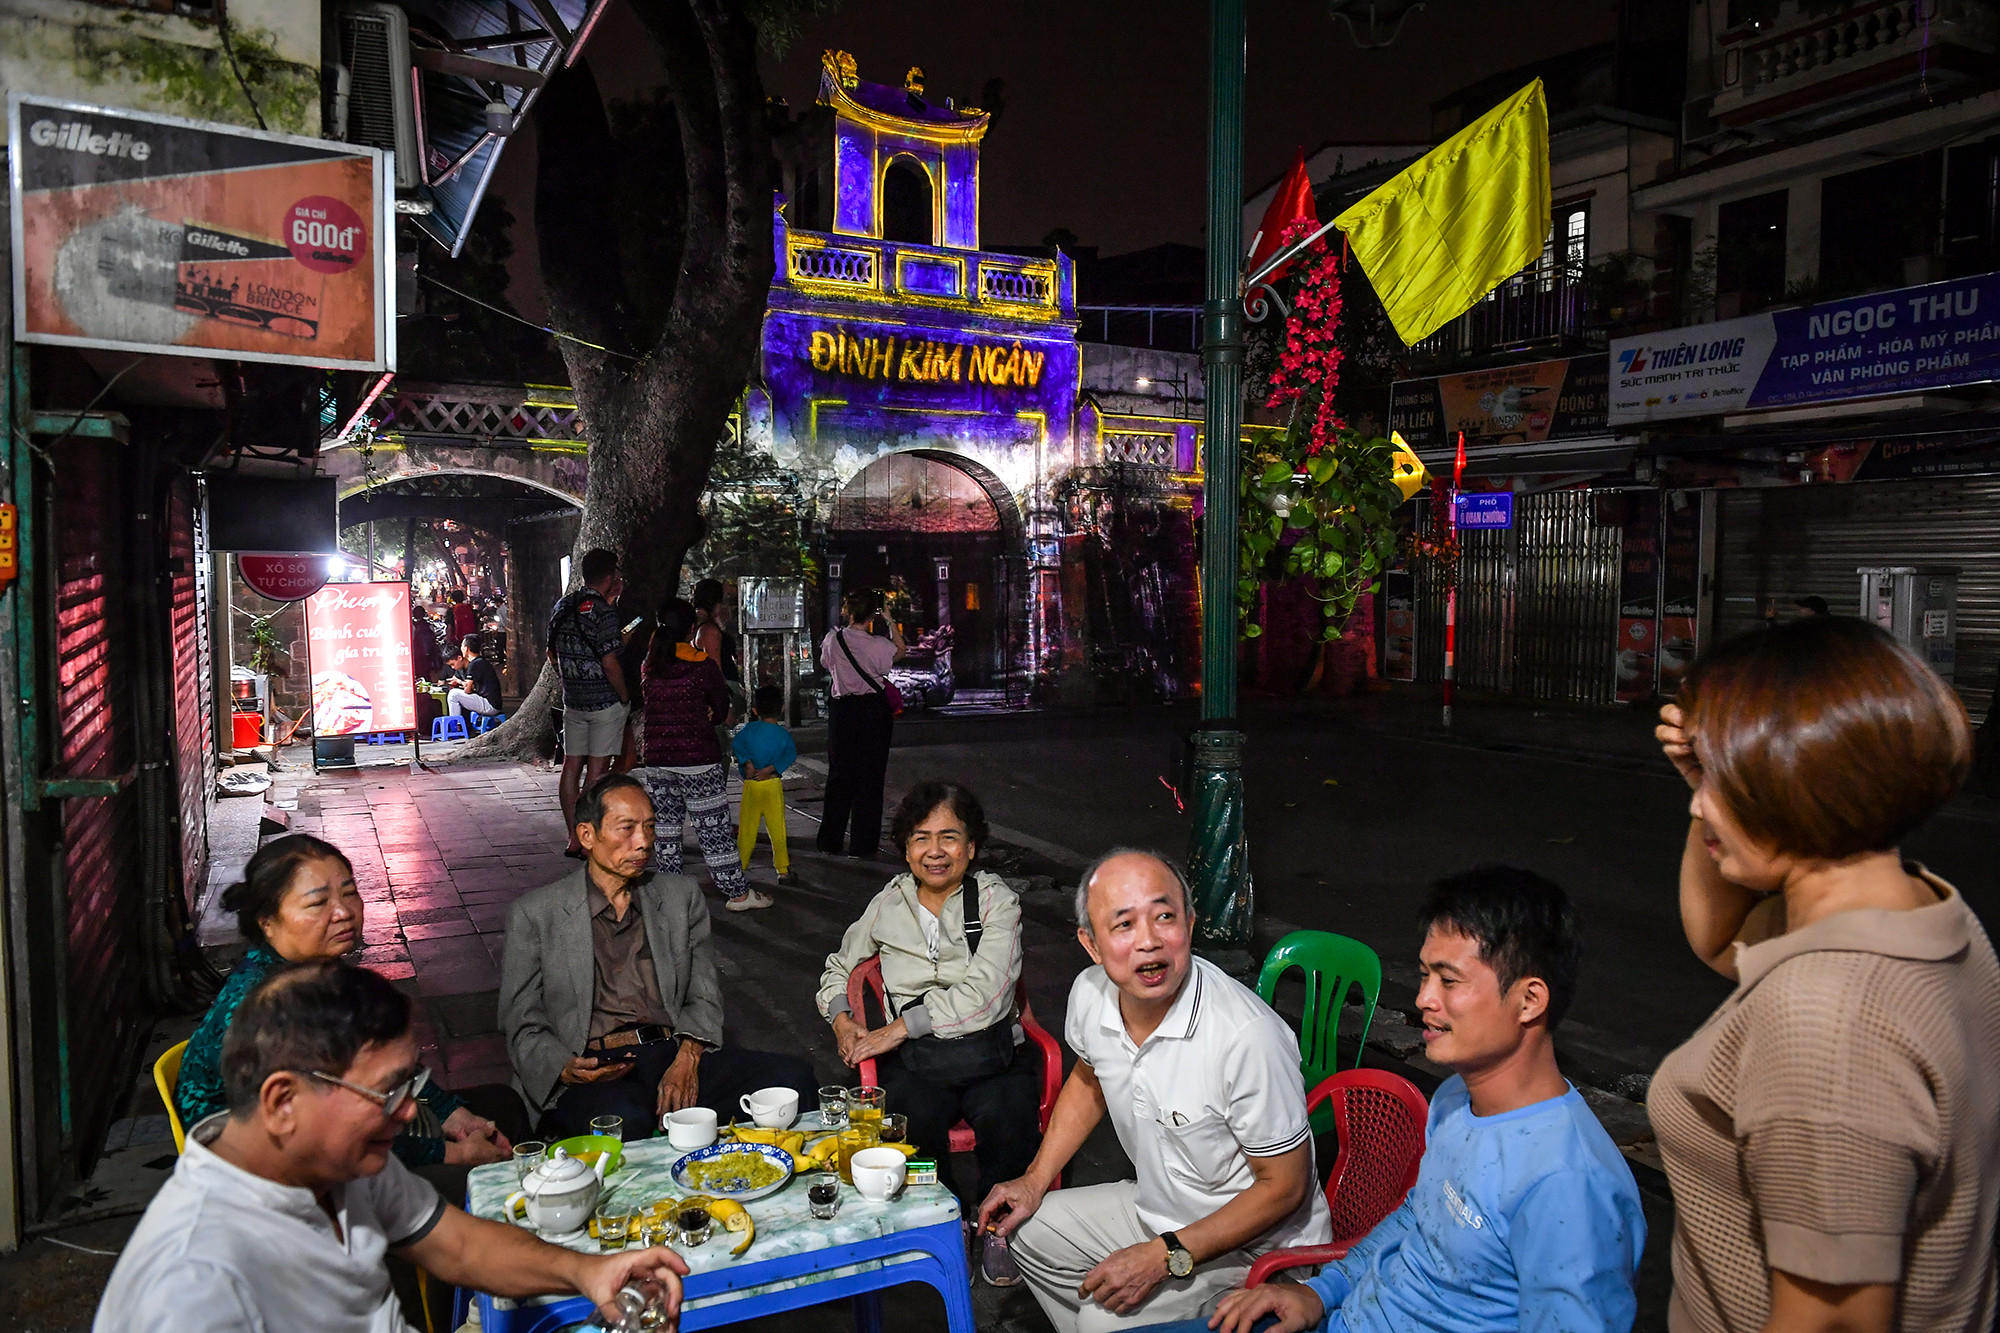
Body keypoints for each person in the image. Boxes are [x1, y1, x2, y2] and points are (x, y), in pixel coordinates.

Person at [1649, 617, 1999, 1333]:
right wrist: (1716, 781)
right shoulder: (1928, 915)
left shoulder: (1828, 1017)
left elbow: (1834, 1322)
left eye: (1720, 777)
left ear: (1788, 778)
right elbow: (1720, 939)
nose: (1695, 801)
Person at [1138, 868, 1646, 1333]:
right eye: (1425, 976)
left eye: (1449, 981)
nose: (1424, 998)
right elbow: (1414, 1219)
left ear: (1530, 1000)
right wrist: (1320, 1293)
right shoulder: (1454, 1099)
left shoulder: (1568, 1184)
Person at [101, 961, 687, 1333]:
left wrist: (588, 1272)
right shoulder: (194, 1288)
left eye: (409, 1085)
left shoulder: (334, 1164)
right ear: (283, 1102)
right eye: (385, 1092)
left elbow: (455, 1243)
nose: (410, 1112)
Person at [978, 850, 1330, 1333]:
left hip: (1258, 1252)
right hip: (1161, 1212)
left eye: (1165, 917)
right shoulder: (1090, 994)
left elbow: (1284, 1186)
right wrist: (1035, 1179)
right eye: (1122, 925)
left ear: (1190, 922)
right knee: (1030, 1231)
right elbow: (1089, 1077)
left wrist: (1164, 1257)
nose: (1148, 941)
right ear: (1091, 944)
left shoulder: (1246, 1035)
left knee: (1101, 1322)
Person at [176, 834, 531, 1195]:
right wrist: (453, 1153)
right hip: (276, 1173)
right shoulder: (273, 1009)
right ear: (267, 921)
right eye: (317, 903)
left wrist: (456, 1118)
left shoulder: (321, 976)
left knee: (504, 1108)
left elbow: (389, 1073)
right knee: (475, 1187)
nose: (343, 912)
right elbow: (336, 1130)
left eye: (349, 893)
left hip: (349, 1126)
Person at [499, 775, 818, 1141]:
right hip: (595, 1067)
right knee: (624, 1121)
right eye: (627, 828)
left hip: (674, 1050)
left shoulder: (678, 897)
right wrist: (563, 1067)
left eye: (649, 827)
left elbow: (704, 994)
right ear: (587, 836)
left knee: (793, 1080)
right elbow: (520, 1019)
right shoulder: (537, 913)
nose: (644, 842)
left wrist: (688, 1056)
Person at [816, 781, 1040, 1277]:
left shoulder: (997, 902)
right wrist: (843, 1020)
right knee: (908, 1118)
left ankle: (1001, 1224)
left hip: (990, 1053)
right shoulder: (888, 903)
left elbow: (989, 995)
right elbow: (838, 966)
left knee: (1010, 1115)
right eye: (921, 838)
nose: (934, 852)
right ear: (906, 847)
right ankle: (948, 1218)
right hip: (921, 1061)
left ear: (972, 846)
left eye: (949, 837)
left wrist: (897, 1028)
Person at [638, 599, 766, 912]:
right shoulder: (702, 665)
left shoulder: (651, 665)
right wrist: (707, 717)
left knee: (666, 830)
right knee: (713, 829)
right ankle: (736, 893)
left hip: (657, 759)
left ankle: (669, 895)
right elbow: (721, 707)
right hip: (698, 759)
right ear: (692, 630)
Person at [548, 549, 634, 858]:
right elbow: (610, 662)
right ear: (610, 578)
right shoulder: (603, 612)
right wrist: (624, 696)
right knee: (597, 773)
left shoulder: (563, 605)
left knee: (571, 766)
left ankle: (573, 837)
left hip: (574, 701)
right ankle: (588, 838)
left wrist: (569, 677)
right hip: (603, 703)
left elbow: (551, 652)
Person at [817, 589, 905, 859]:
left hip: (842, 710)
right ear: (871, 615)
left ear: (847, 611)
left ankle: (830, 840)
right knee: (870, 778)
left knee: (840, 775)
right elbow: (900, 652)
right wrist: (889, 621)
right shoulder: (878, 644)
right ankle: (863, 845)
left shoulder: (833, 639)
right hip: (872, 712)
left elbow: (825, 664)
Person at [733, 684, 798, 886]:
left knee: (747, 830)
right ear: (781, 709)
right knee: (777, 830)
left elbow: (737, 745)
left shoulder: (748, 730)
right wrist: (770, 769)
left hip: (752, 786)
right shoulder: (783, 735)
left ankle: (739, 870)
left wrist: (748, 763)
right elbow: (790, 754)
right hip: (771, 785)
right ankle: (783, 870)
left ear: (754, 710)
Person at [446, 638, 503, 722]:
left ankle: (456, 726)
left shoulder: (475, 664)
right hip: (490, 702)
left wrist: (462, 683)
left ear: (466, 648)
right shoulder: (479, 661)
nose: (460, 649)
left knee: (453, 694)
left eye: (462, 646)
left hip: (489, 704)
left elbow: (467, 691)